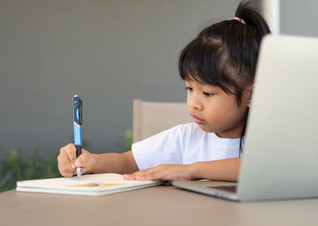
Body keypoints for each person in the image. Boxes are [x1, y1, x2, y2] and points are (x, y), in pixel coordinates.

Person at [58, 0, 270, 182]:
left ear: (250, 95)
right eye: (189, 88)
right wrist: (91, 161)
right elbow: (128, 161)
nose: (194, 103)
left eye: (207, 93)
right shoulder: (185, 139)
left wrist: (191, 170)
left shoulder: (267, 144)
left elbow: (260, 168)